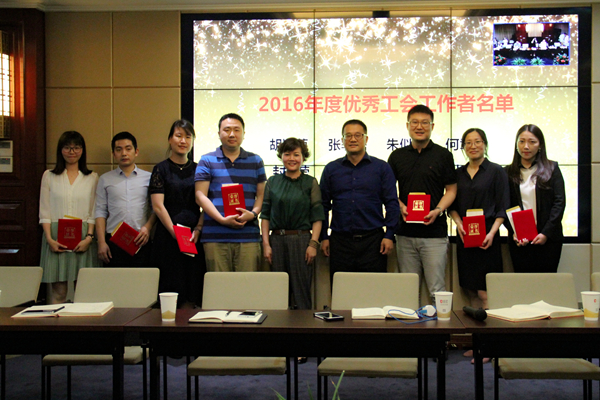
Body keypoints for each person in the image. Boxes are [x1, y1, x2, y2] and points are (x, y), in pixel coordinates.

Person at [388, 104, 457, 302]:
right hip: (405, 234)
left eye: (425, 123)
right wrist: (400, 206)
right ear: (408, 126)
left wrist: (438, 210)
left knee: (437, 289)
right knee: (407, 290)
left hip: (434, 235)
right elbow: (388, 191)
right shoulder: (397, 156)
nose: (420, 127)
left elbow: (451, 190)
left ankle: (440, 323)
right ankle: (410, 324)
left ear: (432, 126)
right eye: (415, 122)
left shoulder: (444, 155)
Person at [320, 119, 399, 284]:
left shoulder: (381, 168)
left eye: (358, 135)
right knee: (341, 290)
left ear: (366, 139)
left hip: (373, 242)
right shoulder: (331, 169)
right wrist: (324, 237)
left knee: (373, 291)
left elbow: (392, 204)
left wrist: (389, 235)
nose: (353, 139)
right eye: (348, 136)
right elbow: (323, 206)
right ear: (342, 140)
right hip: (340, 242)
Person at [195, 113, 266, 272]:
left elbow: (261, 195)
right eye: (227, 130)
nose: (232, 134)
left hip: (248, 236)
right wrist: (222, 219)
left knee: (247, 284)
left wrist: (253, 214)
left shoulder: (256, 161)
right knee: (218, 284)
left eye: (236, 130)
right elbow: (200, 196)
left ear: (243, 134)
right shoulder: (207, 160)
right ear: (219, 133)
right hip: (215, 236)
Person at [261, 138, 324, 310]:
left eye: (296, 154)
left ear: (303, 157)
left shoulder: (310, 182)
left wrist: (313, 244)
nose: (292, 158)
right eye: (287, 154)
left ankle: (304, 324)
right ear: (281, 156)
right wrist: (266, 244)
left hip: (301, 240)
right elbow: (265, 216)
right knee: (278, 292)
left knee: (301, 291)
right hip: (276, 241)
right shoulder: (273, 182)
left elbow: (317, 217)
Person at [449, 128, 509, 310]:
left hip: (488, 237)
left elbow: (503, 207)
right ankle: (475, 325)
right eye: (468, 143)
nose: (473, 146)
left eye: (477, 142)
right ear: (463, 147)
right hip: (465, 236)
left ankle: (489, 327)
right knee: (471, 290)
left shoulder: (496, 171)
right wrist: (458, 223)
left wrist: (492, 233)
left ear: (485, 144)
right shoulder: (458, 174)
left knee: (485, 292)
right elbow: (452, 206)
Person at [149, 120, 205, 308]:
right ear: (170, 139)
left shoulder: (199, 169)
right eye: (178, 136)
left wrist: (198, 228)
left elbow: (206, 203)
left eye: (188, 136)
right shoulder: (160, 169)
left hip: (194, 236)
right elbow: (158, 206)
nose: (183, 141)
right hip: (168, 235)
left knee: (193, 287)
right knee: (169, 287)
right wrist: (175, 233)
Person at [39, 131, 99, 304]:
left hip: (84, 236)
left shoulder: (92, 177)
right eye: (67, 147)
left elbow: (94, 211)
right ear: (60, 150)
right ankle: (57, 322)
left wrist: (89, 237)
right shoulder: (49, 175)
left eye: (76, 147)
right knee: (58, 291)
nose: (72, 152)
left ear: (82, 150)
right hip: (56, 237)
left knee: (84, 293)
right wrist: (49, 239)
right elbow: (45, 211)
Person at [505, 124, 565, 273]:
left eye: (532, 142)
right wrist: (514, 232)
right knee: (523, 283)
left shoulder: (552, 168)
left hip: (548, 239)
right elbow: (503, 205)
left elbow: (559, 203)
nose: (526, 146)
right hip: (519, 240)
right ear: (516, 144)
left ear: (540, 145)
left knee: (546, 282)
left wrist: (546, 233)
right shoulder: (507, 172)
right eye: (522, 141)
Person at [95, 132, 156, 267]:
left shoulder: (149, 178)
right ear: (113, 154)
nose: (124, 153)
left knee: (142, 280)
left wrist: (147, 227)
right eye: (119, 149)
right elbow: (100, 211)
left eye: (128, 149)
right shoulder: (105, 179)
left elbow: (155, 209)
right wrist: (101, 242)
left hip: (140, 239)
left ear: (136, 152)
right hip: (113, 241)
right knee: (114, 280)